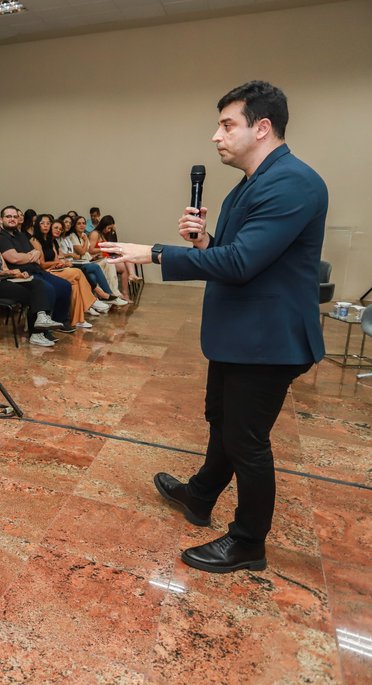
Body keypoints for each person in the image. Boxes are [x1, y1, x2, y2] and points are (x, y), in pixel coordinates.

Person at [102, 81, 327, 574]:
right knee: (222, 422)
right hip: (240, 333)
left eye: (227, 125)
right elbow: (233, 256)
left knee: (246, 440)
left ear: (262, 128)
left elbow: (243, 263)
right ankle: (201, 496)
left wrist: (154, 253)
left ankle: (248, 543)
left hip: (268, 339)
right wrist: (204, 242)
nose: (216, 136)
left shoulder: (292, 182)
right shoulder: (251, 183)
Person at [0, 219, 57, 347]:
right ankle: (36, 333)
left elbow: (4, 269)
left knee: (37, 284)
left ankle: (41, 318)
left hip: (3, 281)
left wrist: (18, 274)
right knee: (31, 294)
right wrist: (12, 272)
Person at [0, 205, 74, 334]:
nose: (12, 219)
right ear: (1, 219)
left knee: (64, 285)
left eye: (15, 216)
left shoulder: (21, 235)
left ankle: (60, 321)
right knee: (48, 288)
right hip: (22, 275)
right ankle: (41, 331)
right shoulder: (0, 236)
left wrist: (28, 256)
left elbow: (36, 254)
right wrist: (29, 256)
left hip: (36, 270)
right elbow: (14, 258)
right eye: (8, 216)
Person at [31, 214, 103, 328]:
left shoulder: (50, 240)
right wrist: (58, 263)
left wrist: (60, 263)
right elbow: (42, 264)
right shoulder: (35, 240)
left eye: (48, 223)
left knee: (75, 285)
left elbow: (56, 259)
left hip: (55, 269)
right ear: (37, 225)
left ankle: (78, 320)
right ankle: (91, 301)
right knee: (78, 272)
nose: (46, 226)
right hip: (46, 272)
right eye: (42, 223)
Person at [67, 215, 127, 304]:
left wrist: (94, 257)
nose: (82, 225)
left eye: (83, 223)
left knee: (110, 262)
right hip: (80, 263)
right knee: (107, 263)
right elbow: (83, 251)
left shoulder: (83, 235)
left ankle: (114, 293)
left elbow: (86, 253)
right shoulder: (74, 236)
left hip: (88, 260)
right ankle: (111, 295)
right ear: (74, 225)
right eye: (79, 223)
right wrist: (86, 240)